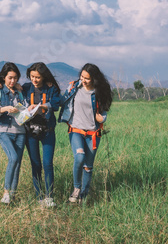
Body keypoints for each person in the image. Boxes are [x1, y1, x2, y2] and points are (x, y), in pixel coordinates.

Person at [58, 63, 113, 203]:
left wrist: (103, 118)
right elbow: (61, 100)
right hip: (76, 130)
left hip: (93, 133)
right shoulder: (74, 87)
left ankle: (84, 195)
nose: (83, 80)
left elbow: (104, 109)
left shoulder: (99, 92)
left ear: (94, 79)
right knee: (80, 157)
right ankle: (76, 188)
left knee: (88, 166)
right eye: (82, 76)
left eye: (87, 78)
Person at [22, 62, 60, 207]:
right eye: (32, 76)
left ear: (44, 77)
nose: (34, 80)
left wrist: (42, 107)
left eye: (37, 77)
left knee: (48, 164)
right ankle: (39, 197)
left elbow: (56, 104)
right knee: (35, 164)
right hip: (30, 131)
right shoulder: (26, 88)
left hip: (47, 131)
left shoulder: (51, 88)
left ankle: (49, 196)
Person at [0, 62, 26, 204]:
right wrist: (5, 109)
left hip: (21, 131)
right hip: (4, 131)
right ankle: (6, 192)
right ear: (4, 77)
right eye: (10, 78)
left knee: (18, 163)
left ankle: (13, 195)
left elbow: (26, 109)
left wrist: (22, 109)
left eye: (15, 78)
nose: (13, 81)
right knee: (13, 158)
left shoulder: (20, 92)